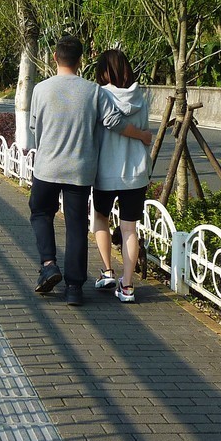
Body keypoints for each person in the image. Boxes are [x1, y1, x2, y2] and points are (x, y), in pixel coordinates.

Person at [29, 35, 152, 306]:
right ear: (80, 60)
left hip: (47, 167)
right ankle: (74, 288)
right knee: (76, 226)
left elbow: (34, 127)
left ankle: (49, 264)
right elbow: (113, 121)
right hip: (80, 171)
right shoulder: (93, 91)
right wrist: (142, 135)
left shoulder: (40, 89)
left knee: (40, 213)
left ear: (55, 57)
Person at [90, 49, 152, 304]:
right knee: (129, 229)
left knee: (100, 219)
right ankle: (127, 286)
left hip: (105, 171)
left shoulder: (99, 95)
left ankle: (107, 271)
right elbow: (145, 132)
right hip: (135, 172)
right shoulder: (140, 97)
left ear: (103, 71)